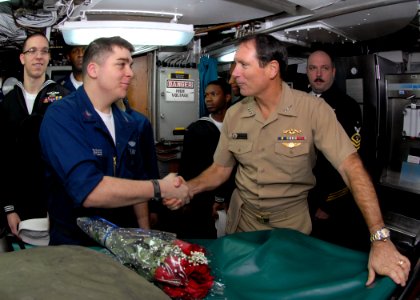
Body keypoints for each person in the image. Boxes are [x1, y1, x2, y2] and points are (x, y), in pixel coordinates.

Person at [164, 33, 411, 287]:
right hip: (242, 227)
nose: (233, 74)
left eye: (243, 65)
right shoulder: (236, 114)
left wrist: (380, 238)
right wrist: (189, 188)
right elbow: (220, 169)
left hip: (290, 230)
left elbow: (351, 168)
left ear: (272, 69)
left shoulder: (313, 110)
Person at [39, 36, 189, 246]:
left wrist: (145, 235)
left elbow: (135, 184)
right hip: (75, 248)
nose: (130, 72)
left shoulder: (127, 122)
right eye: (121, 65)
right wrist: (160, 187)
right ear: (93, 69)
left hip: (121, 243)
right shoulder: (62, 115)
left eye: (130, 64)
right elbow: (89, 191)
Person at [0, 32, 70, 238]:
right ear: (22, 58)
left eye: (44, 51)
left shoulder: (64, 99)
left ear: (49, 58)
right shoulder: (8, 103)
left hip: (55, 204)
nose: (38, 56)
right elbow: (2, 159)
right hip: (18, 205)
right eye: (32, 51)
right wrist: (9, 209)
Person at [306, 50, 369, 251]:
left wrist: (328, 204)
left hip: (328, 201)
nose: (318, 74)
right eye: (313, 68)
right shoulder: (298, 102)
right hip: (301, 198)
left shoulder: (347, 106)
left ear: (333, 72)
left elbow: (350, 160)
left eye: (324, 68)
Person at [159, 79, 235, 239]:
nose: (208, 99)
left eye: (214, 94)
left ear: (227, 97)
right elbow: (188, 167)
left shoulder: (239, 126)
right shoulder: (198, 129)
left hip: (232, 198)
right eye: (206, 95)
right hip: (204, 200)